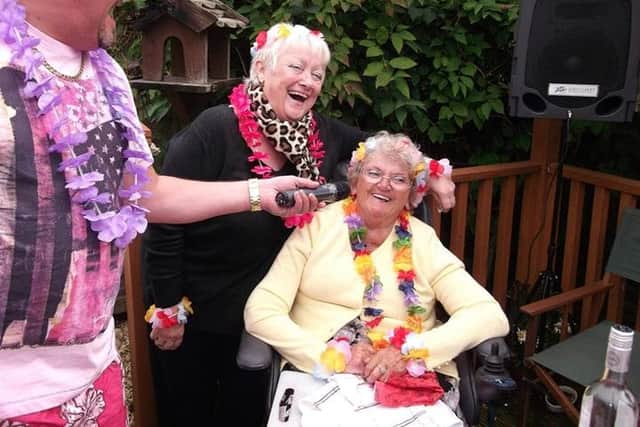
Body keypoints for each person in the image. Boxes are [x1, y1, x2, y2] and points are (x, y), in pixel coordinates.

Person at [0, 2, 321, 425]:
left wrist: (259, 193)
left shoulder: (106, 74)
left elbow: (145, 193)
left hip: (94, 374)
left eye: (318, 74)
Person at [145, 23, 457, 426]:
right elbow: (164, 221)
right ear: (261, 69)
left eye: (317, 74)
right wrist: (168, 306)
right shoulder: (212, 131)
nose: (307, 82)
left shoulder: (318, 133)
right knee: (189, 415)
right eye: (296, 67)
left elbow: (385, 150)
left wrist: (428, 170)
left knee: (244, 416)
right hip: (198, 313)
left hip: (267, 317)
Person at [244, 132, 509, 420]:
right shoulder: (316, 226)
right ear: (355, 183)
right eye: (374, 173)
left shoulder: (424, 241)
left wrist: (412, 351)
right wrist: (329, 356)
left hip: (405, 376)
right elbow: (261, 308)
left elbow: (487, 314)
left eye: (399, 179)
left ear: (410, 195)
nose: (384, 184)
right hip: (319, 371)